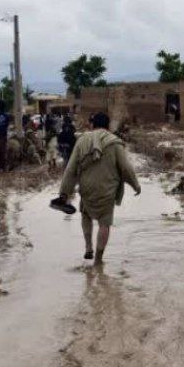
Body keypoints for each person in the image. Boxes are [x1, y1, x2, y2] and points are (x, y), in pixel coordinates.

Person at [58, 112, 141, 263]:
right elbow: (125, 168)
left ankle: (88, 246)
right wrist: (135, 185)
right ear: (108, 126)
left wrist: (64, 193)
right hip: (107, 189)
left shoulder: (82, 141)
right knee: (104, 223)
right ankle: (98, 259)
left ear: (92, 125)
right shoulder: (114, 142)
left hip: (87, 188)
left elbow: (71, 168)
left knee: (85, 214)